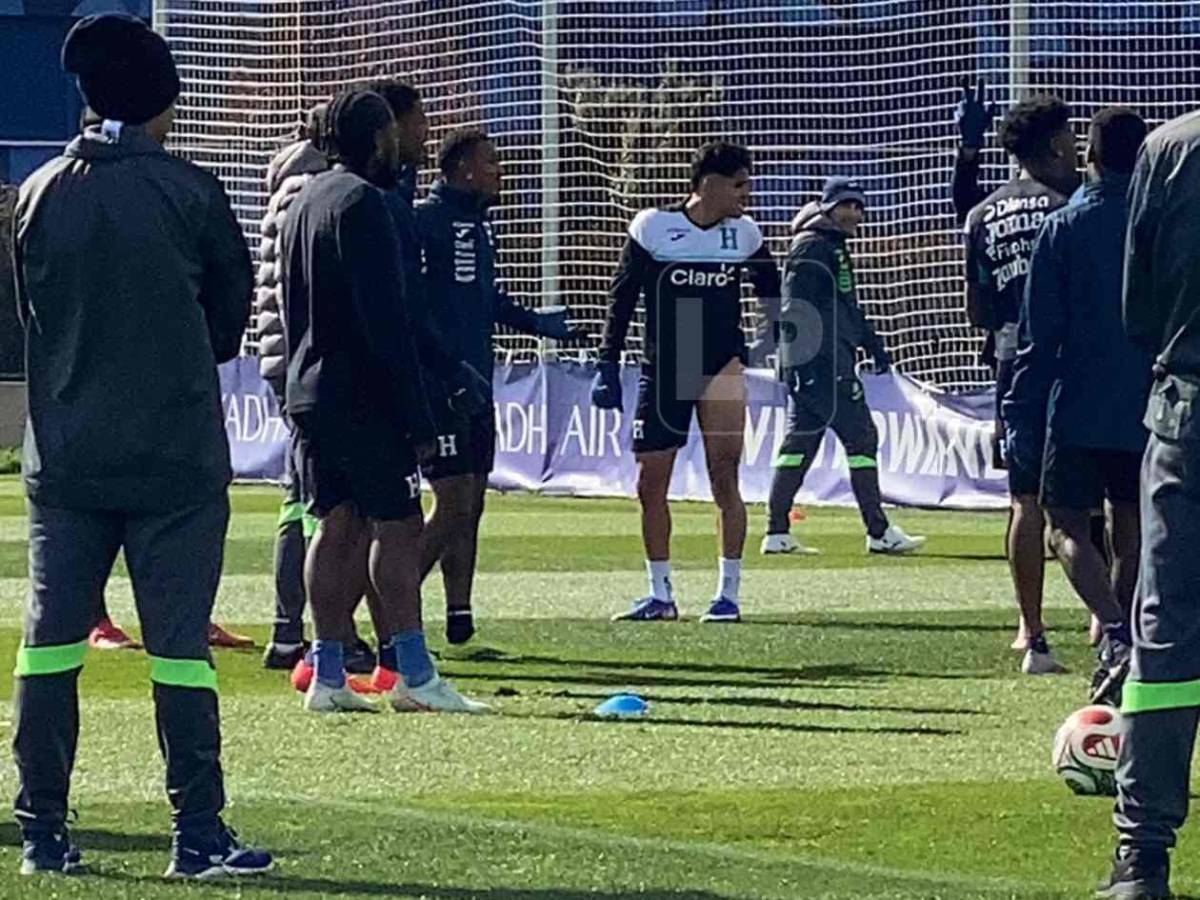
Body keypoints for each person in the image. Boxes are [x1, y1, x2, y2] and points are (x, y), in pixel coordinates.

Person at [10, 14, 271, 877]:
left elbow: (28, 323)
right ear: (162, 102)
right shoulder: (191, 190)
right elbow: (229, 328)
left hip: (66, 455)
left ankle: (42, 833)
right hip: (174, 458)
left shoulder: (39, 189)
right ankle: (197, 834)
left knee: (48, 644)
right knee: (180, 652)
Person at [280, 89, 487, 713]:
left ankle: (329, 673)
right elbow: (388, 317)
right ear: (378, 138)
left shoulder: (302, 202)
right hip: (365, 393)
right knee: (397, 524)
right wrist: (420, 408)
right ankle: (414, 675)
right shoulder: (368, 205)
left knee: (335, 522)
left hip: (310, 388)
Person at [592, 140, 780, 624]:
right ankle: (660, 595)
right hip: (665, 368)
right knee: (650, 485)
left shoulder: (744, 235)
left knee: (725, 477)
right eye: (739, 183)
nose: (747, 194)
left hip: (719, 366)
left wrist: (765, 341)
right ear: (708, 184)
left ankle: (729, 596)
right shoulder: (654, 227)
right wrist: (607, 363)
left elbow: (771, 291)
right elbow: (622, 297)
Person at [414, 127, 586, 645]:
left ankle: (459, 616)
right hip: (441, 385)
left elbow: (486, 301)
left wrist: (538, 322)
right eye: (491, 162)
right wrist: (440, 368)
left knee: (473, 503)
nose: (499, 170)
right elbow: (415, 305)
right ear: (464, 169)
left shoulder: (480, 226)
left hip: (477, 383)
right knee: (453, 503)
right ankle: (387, 609)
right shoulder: (427, 222)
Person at [1005, 108, 1150, 688]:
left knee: (1063, 524)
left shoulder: (1064, 227)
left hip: (1078, 401)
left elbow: (1041, 334)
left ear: (1089, 154)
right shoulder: (1159, 223)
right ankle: (1124, 636)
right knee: (1132, 520)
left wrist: (1021, 411)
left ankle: (1113, 631)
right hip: (1146, 401)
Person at [1094, 108, 1200, 900]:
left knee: (1166, 640)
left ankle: (1142, 858)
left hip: (1187, 415)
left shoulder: (1168, 148)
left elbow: (1138, 309)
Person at [255, 103, 376, 675]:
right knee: (326, 504)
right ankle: (331, 630)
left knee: (299, 495)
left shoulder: (283, 185)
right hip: (310, 362)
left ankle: (288, 632)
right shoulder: (318, 190)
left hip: (284, 357)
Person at [962, 96, 1079, 666]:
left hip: (1014, 363)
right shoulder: (1075, 204)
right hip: (1076, 361)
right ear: (1056, 145)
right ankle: (1109, 625)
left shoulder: (983, 214)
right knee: (1103, 499)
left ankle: (1030, 631)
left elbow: (977, 310)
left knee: (1023, 502)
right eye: (1070, 138)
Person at [763, 178, 924, 556]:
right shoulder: (813, 247)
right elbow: (794, 309)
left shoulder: (829, 245)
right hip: (823, 364)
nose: (854, 213)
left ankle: (776, 531)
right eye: (846, 205)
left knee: (799, 444)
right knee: (861, 438)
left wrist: (871, 344)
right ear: (828, 208)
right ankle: (878, 531)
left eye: (858, 206)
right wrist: (807, 361)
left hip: (823, 362)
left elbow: (843, 307)